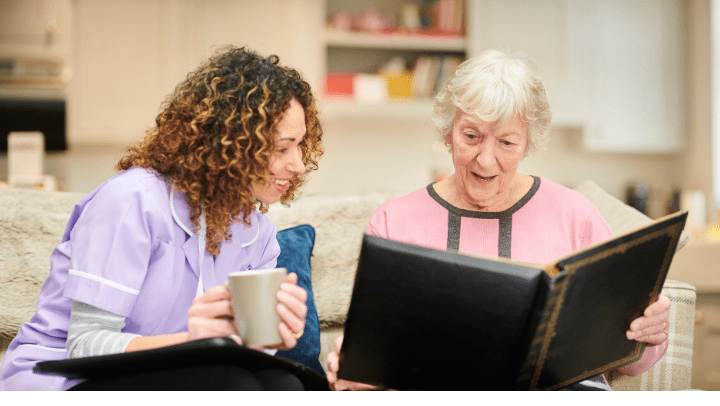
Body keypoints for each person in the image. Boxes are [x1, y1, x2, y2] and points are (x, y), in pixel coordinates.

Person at [326, 49, 670, 391]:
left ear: (527, 144)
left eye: (506, 142)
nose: (486, 160)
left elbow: (634, 362)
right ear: (448, 132)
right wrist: (357, 371)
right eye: (471, 137)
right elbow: (371, 352)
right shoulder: (393, 223)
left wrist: (649, 332)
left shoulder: (575, 216)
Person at [0, 45, 324, 391]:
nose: (299, 165)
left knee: (285, 383)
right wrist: (192, 339)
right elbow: (84, 346)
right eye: (280, 148)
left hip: (176, 371)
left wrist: (274, 335)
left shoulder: (256, 231)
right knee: (232, 384)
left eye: (301, 145)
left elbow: (244, 348)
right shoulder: (132, 201)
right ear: (228, 142)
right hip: (64, 378)